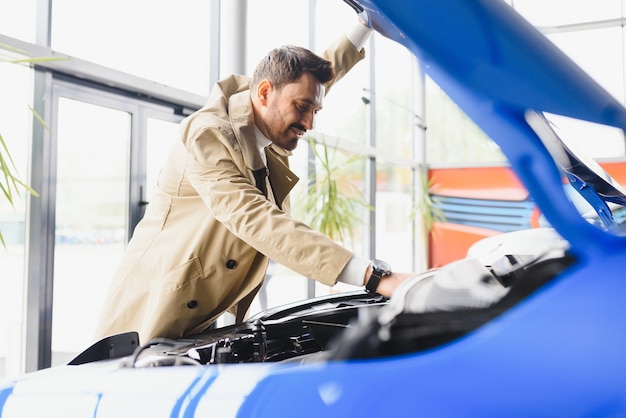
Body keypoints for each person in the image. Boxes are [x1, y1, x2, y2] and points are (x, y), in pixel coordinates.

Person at [94, 13, 414, 344]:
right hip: (154, 312)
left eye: (315, 111)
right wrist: (371, 276)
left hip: (209, 314)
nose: (309, 122)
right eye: (303, 108)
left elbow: (318, 80)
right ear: (263, 93)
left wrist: (364, 25)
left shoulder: (267, 112)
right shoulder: (209, 135)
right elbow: (253, 217)